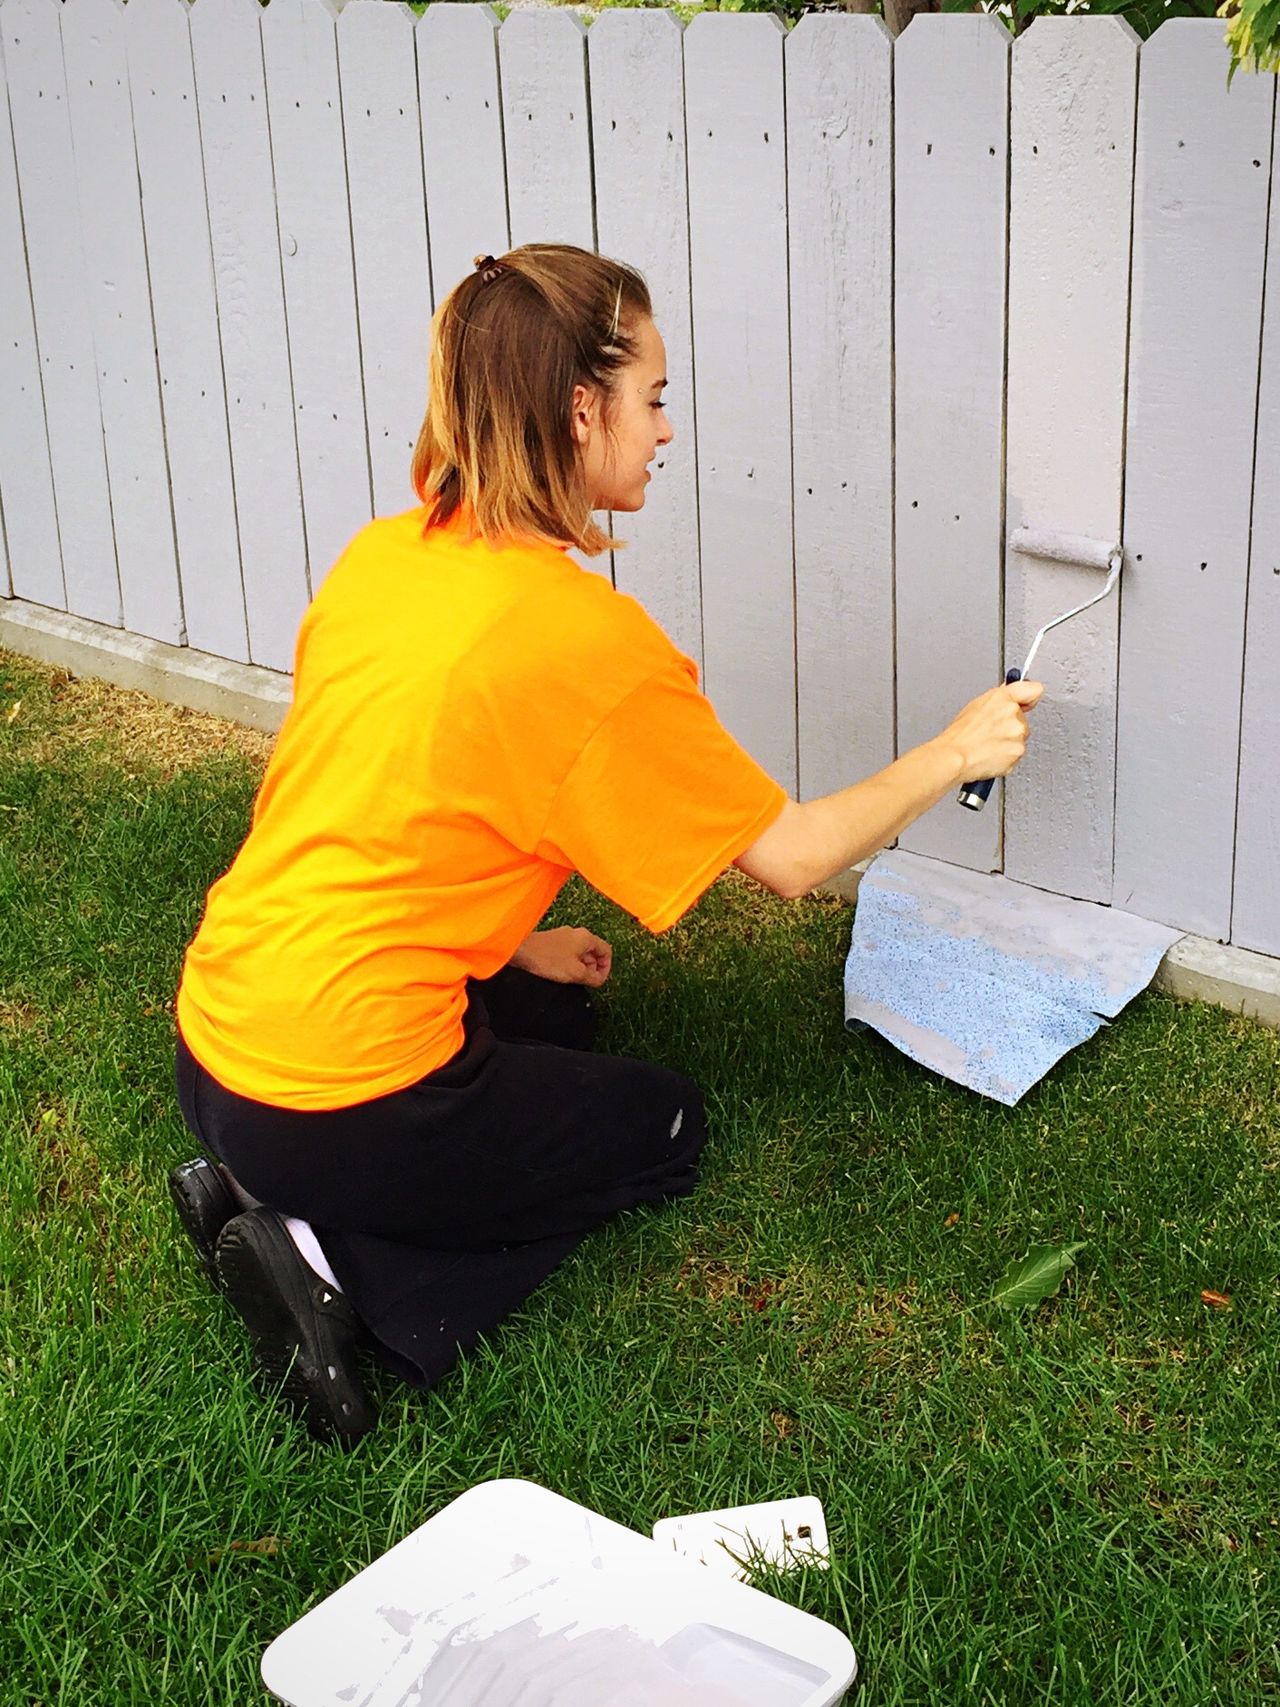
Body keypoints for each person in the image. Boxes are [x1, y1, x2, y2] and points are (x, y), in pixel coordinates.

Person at [170, 244, 1043, 1443]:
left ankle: (255, 1179)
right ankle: (334, 1275)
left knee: (565, 1012)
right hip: (337, 1097)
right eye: (654, 399)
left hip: (218, 1044)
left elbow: (372, 806)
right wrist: (952, 751)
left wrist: (516, 943)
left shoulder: (386, 556)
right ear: (581, 409)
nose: (665, 430)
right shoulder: (584, 645)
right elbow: (790, 858)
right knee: (662, 1127)